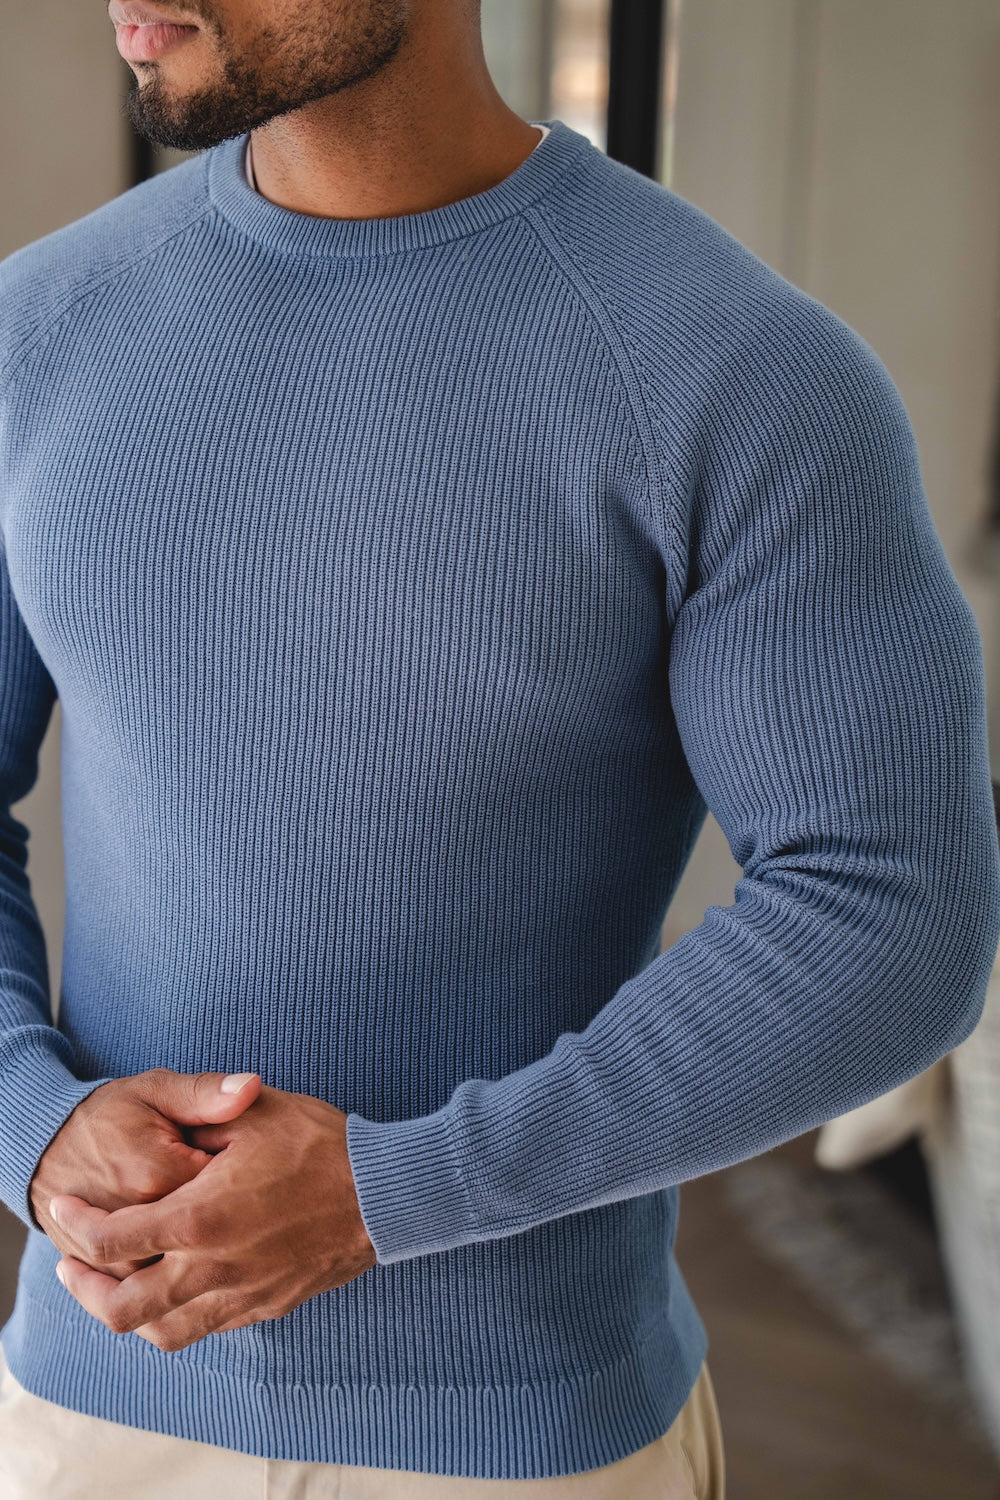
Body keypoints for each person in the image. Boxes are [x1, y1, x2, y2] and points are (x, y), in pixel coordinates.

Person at [0, 0, 997, 1495]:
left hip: (526, 1445)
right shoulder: (38, 331)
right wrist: (31, 1114)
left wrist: (391, 1195)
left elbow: (893, 914)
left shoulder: (740, 372)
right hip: (88, 1414)